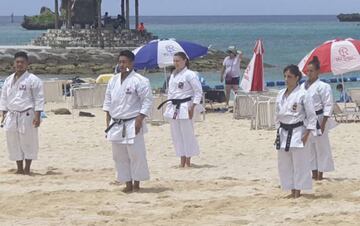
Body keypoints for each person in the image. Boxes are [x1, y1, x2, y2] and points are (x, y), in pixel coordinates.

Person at [103, 50, 153, 193]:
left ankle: (137, 183)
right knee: (119, 156)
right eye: (120, 62)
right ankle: (127, 183)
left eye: (124, 62)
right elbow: (108, 102)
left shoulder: (140, 80)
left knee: (136, 154)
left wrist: (140, 118)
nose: (121, 65)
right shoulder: (113, 80)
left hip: (133, 122)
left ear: (132, 63)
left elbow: (147, 101)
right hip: (116, 122)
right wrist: (107, 122)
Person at [275, 64, 317, 198]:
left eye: (290, 77)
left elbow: (311, 116)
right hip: (283, 131)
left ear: (297, 78)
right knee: (284, 163)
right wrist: (277, 131)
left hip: (298, 131)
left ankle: (298, 190)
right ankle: (290, 188)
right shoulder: (280, 93)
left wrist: (307, 134)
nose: (286, 79)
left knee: (300, 163)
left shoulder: (303, 94)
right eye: (285, 76)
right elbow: (277, 114)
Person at [0, 51, 45, 175]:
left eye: (22, 62)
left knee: (28, 141)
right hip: (11, 114)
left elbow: (39, 98)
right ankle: (19, 168)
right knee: (13, 141)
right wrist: (3, 113)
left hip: (27, 114)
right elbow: (4, 97)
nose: (19, 64)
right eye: (17, 62)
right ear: (14, 63)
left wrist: (37, 116)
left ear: (27, 64)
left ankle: (27, 168)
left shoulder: (33, 80)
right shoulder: (9, 79)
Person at [159, 52, 203, 167]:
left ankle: (188, 160)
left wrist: (193, 106)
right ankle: (181, 158)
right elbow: (171, 93)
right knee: (176, 134)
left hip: (186, 106)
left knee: (187, 134)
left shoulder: (190, 74)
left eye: (178, 61)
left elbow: (198, 91)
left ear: (184, 61)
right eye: (174, 61)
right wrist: (168, 107)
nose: (175, 63)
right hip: (174, 107)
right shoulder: (173, 74)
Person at [301, 56, 336, 181]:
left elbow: (328, 104)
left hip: (320, 118)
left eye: (311, 71)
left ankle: (321, 173)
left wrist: (323, 123)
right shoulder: (303, 86)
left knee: (322, 147)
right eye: (307, 71)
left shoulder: (323, 86)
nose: (308, 73)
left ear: (317, 72)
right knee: (309, 148)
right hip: (306, 120)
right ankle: (313, 172)